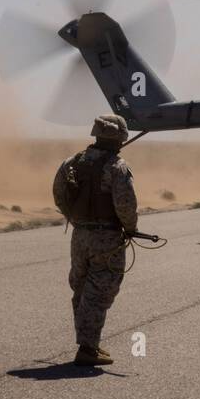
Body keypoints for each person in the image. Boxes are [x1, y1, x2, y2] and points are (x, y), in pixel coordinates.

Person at [52, 114, 138, 366]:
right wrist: (130, 229)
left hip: (79, 236)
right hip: (107, 238)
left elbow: (59, 195)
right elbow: (125, 204)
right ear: (121, 137)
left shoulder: (72, 162)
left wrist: (77, 220)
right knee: (100, 290)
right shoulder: (117, 166)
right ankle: (88, 349)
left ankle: (87, 343)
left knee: (81, 287)